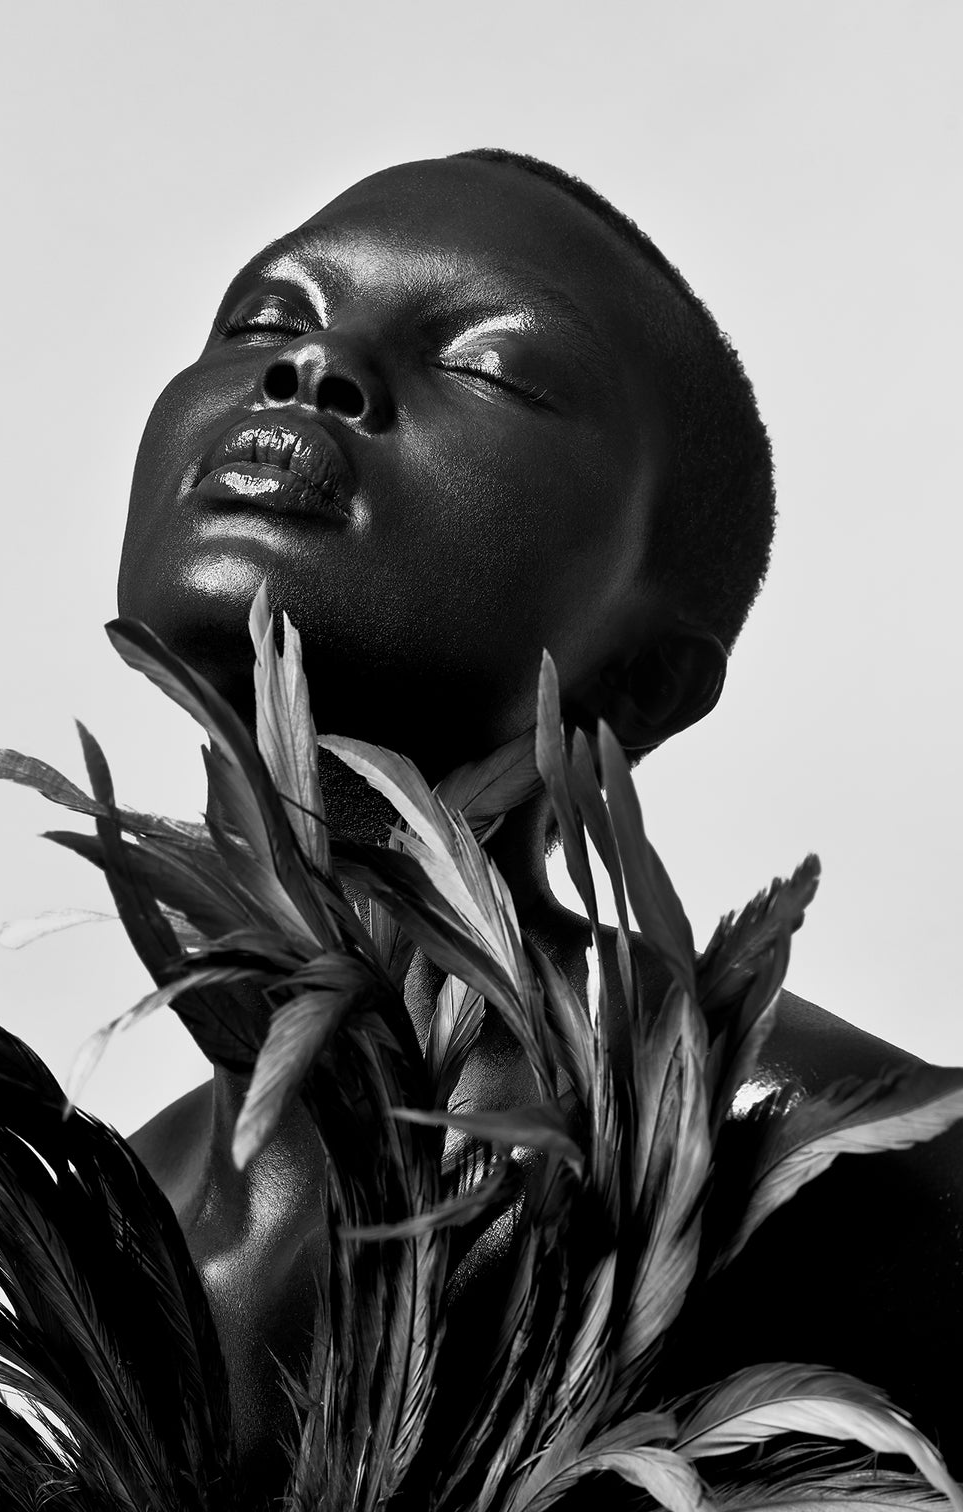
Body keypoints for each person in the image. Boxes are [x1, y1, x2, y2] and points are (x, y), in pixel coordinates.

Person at [119, 150, 963, 1475]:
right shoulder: (68, 1245)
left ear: (641, 680)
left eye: (492, 368)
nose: (312, 367)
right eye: (263, 321)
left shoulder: (830, 1159)